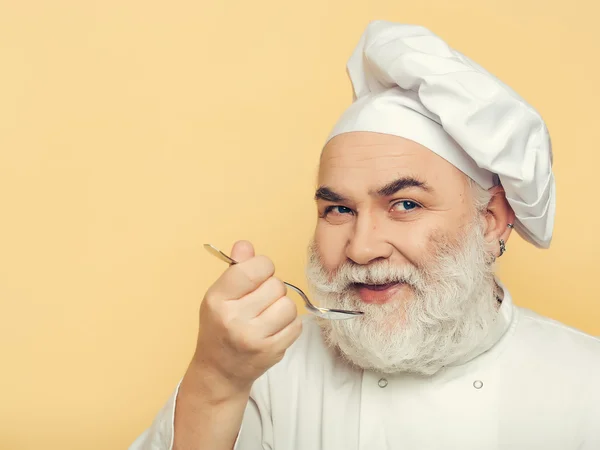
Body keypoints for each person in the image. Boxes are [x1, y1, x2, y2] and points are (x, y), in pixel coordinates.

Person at [130, 21, 600, 450]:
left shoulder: (585, 385)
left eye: (406, 204)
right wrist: (215, 381)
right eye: (338, 209)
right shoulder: (265, 372)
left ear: (493, 219)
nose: (361, 247)